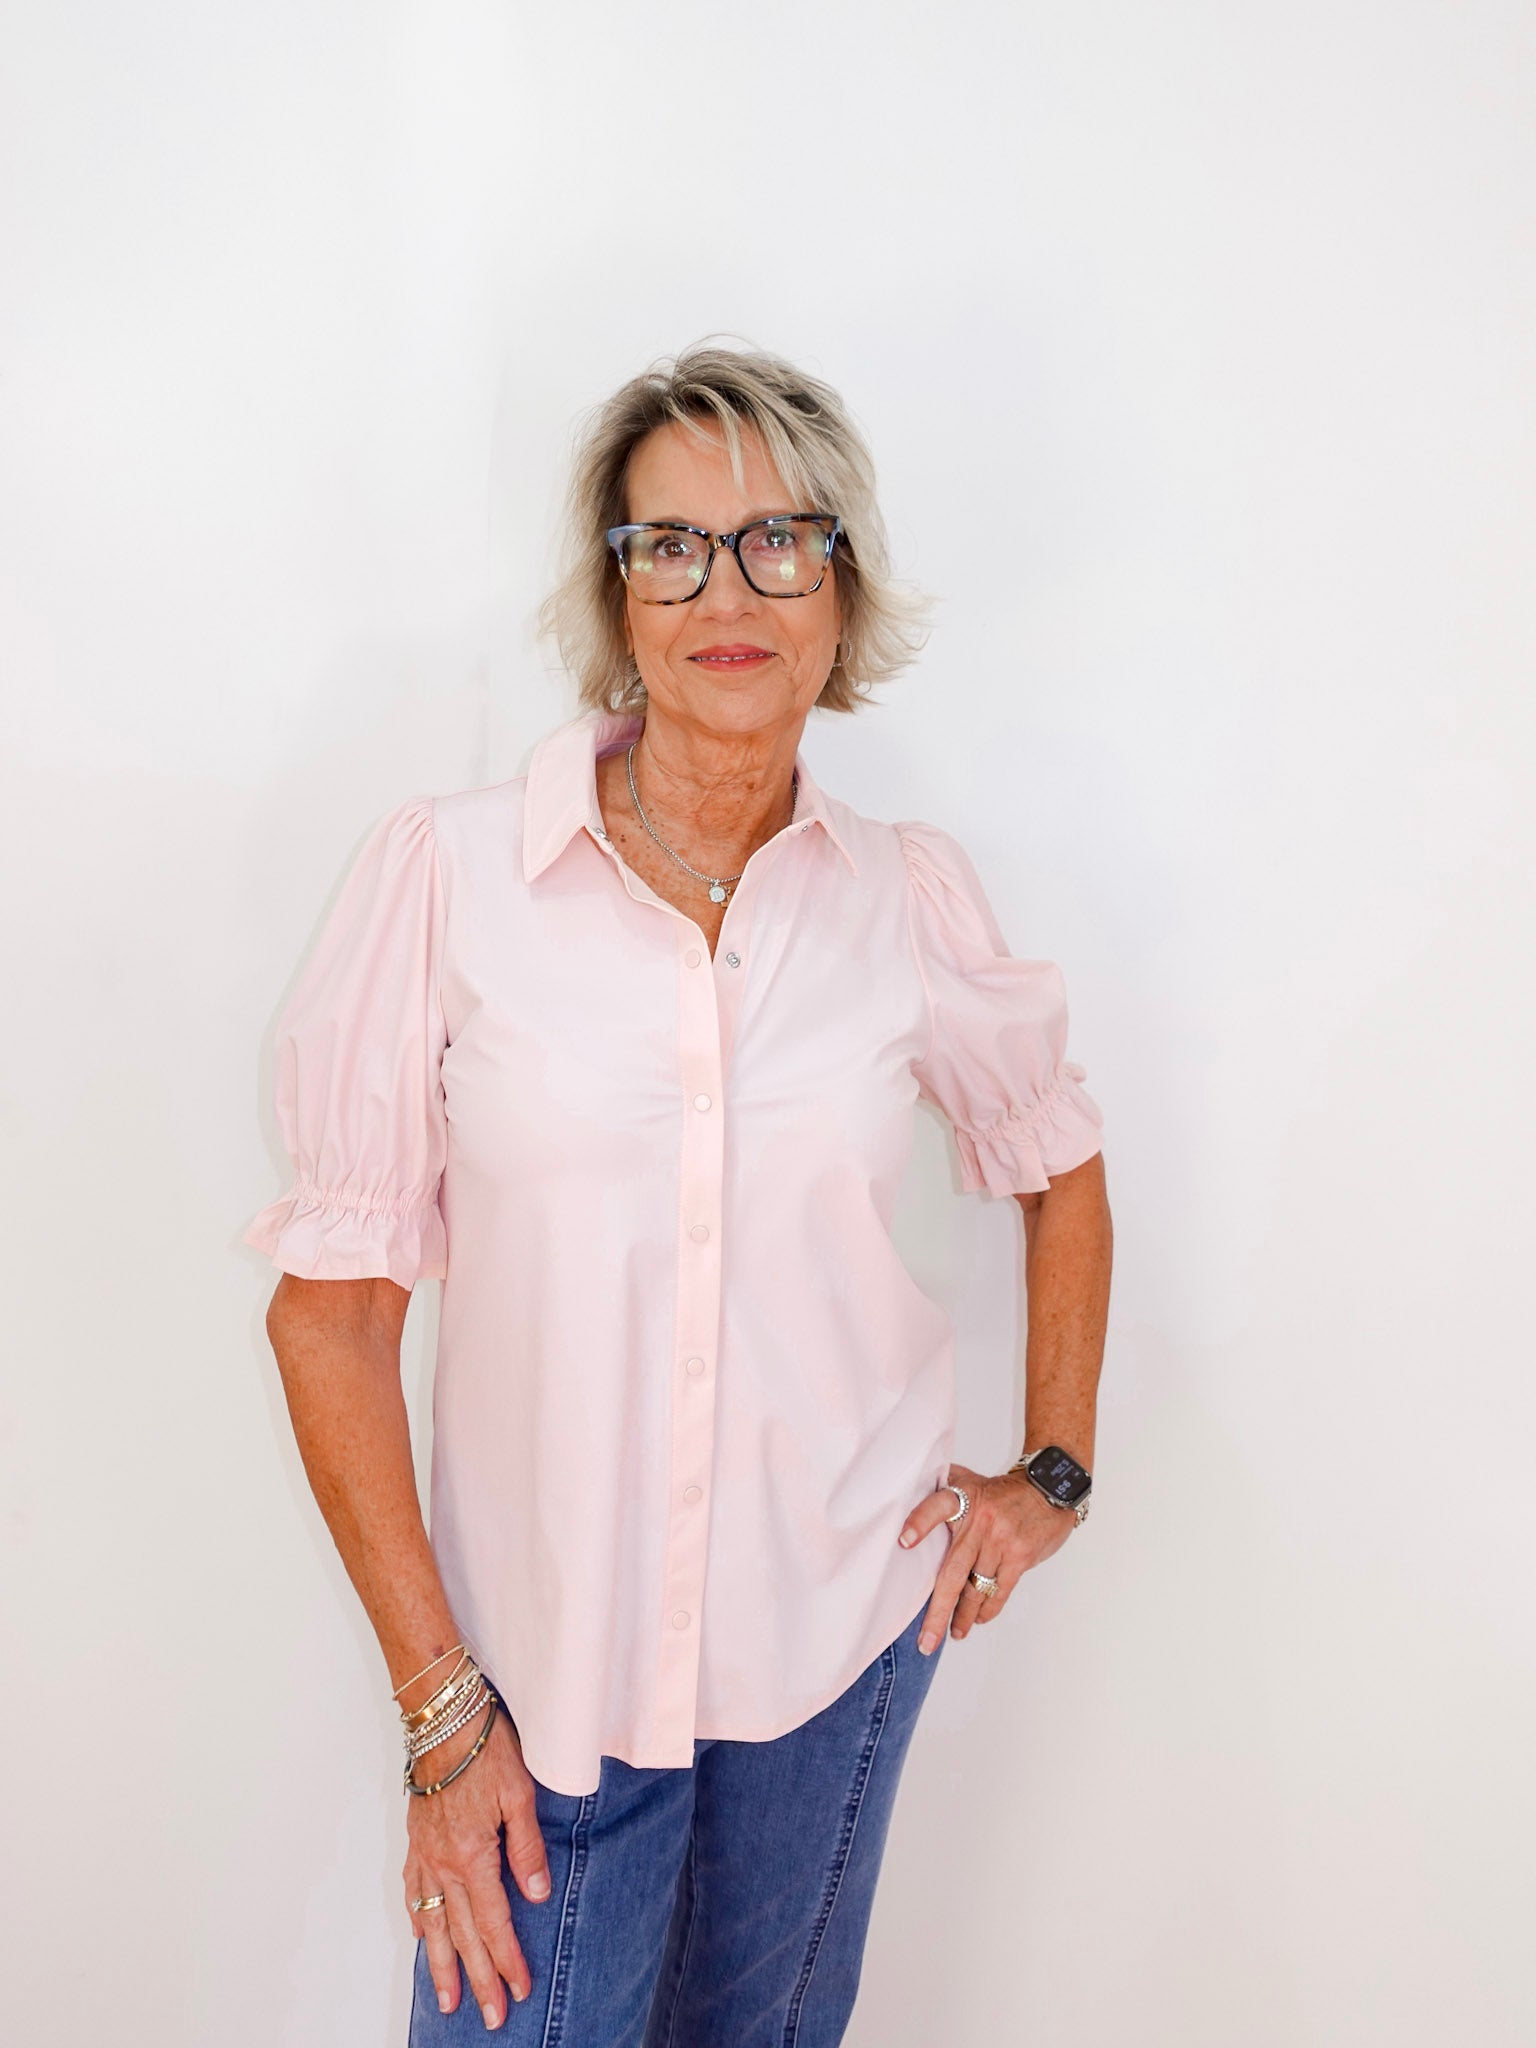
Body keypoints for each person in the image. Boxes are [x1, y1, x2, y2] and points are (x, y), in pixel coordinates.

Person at [244, 341, 1113, 2044]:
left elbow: (1057, 1157)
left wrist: (1055, 1471)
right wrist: (440, 1713)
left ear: (841, 593)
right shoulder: (451, 880)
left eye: (780, 540)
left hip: (831, 1660)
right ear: (618, 594)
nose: (730, 590)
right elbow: (328, 1321)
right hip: (536, 1695)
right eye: (674, 546)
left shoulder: (905, 902)